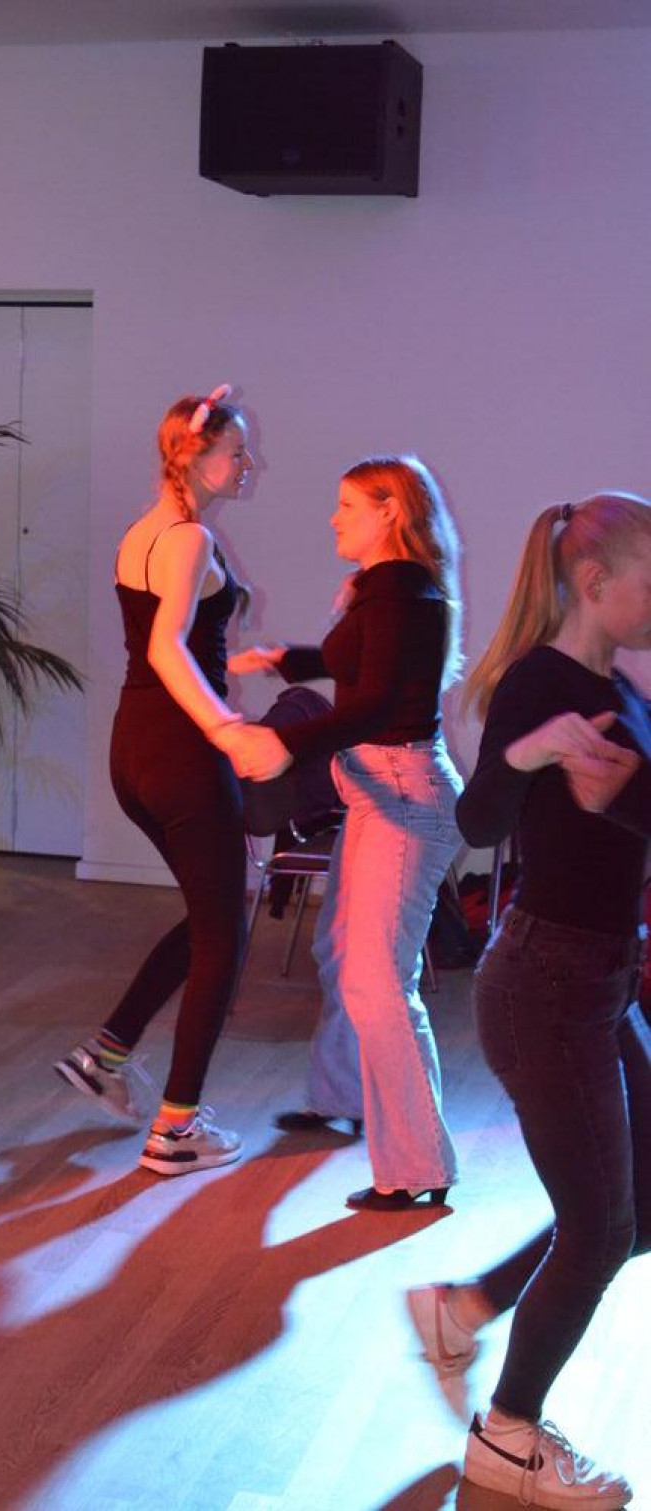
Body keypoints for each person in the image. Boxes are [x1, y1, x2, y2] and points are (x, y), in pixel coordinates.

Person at [406, 494, 651, 1509]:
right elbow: (476, 819)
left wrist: (621, 792)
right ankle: (506, 1434)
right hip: (547, 984)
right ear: (595, 582)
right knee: (598, 1228)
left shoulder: (619, 685)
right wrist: (526, 748)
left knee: (639, 1204)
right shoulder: (540, 684)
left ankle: (462, 1308)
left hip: (600, 979)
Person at [55, 386, 287, 1176]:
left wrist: (237, 660)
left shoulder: (142, 533)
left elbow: (174, 642)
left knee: (210, 912)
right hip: (183, 752)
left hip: (137, 749)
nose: (248, 463)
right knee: (226, 931)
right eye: (236, 451)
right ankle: (176, 1129)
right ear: (193, 454)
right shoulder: (188, 538)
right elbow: (165, 648)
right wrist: (225, 726)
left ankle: (106, 1054)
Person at [230, 455, 464, 1211]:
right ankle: (342, 1099)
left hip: (402, 795)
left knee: (379, 981)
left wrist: (283, 744)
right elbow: (359, 669)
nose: (334, 518)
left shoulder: (403, 594)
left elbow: (374, 706)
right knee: (343, 954)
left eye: (348, 505)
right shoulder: (386, 590)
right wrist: (286, 660)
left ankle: (419, 1166)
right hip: (379, 789)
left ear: (389, 510)